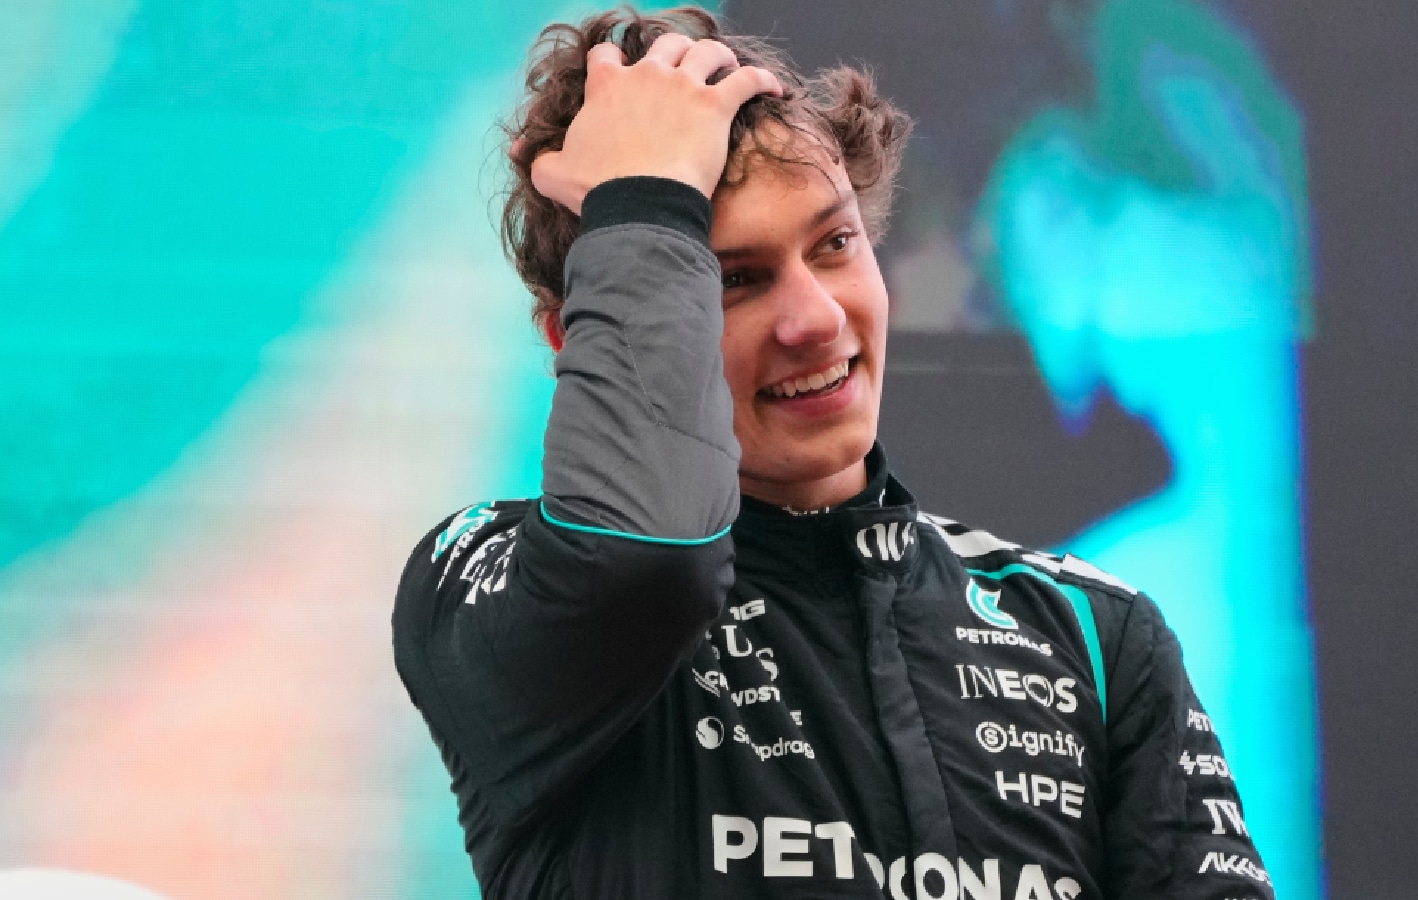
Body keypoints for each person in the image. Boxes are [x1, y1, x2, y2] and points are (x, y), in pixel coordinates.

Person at [392, 7, 1275, 899]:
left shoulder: (1093, 632)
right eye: (732, 279)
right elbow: (641, 563)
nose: (817, 318)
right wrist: (644, 203)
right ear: (574, 334)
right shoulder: (490, 583)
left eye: (835, 243)